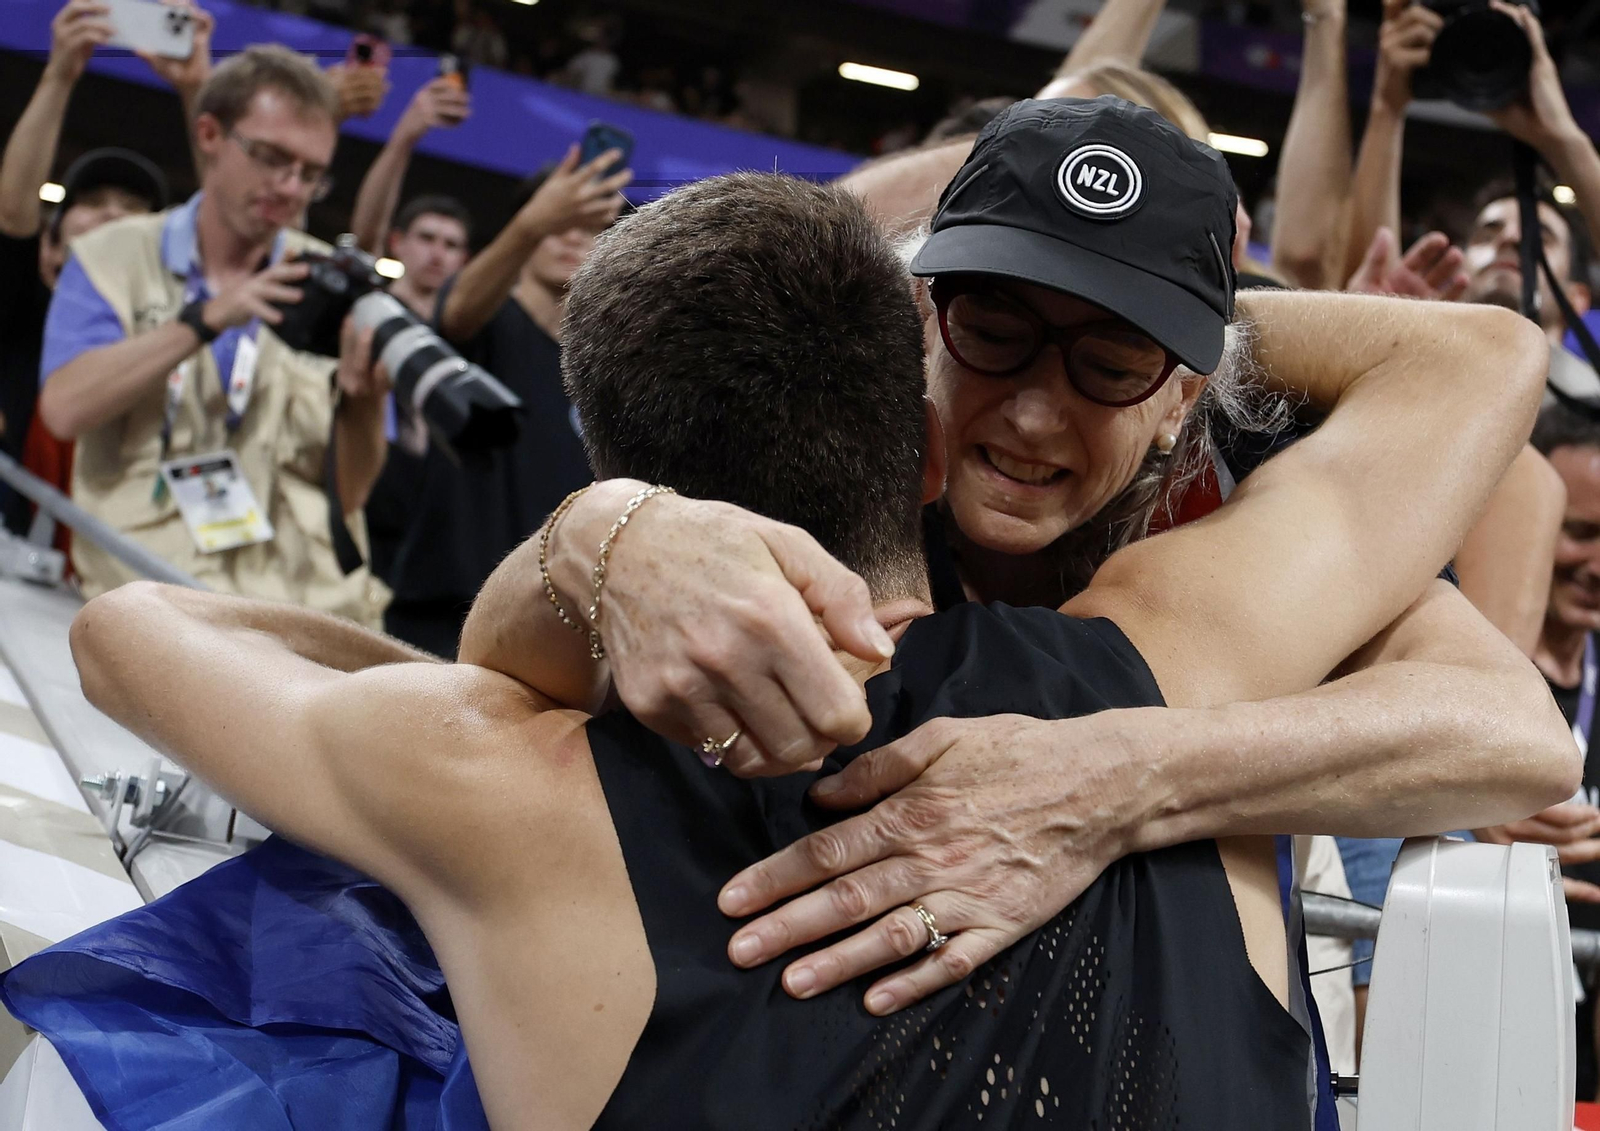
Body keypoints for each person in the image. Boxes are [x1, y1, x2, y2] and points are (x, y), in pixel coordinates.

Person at [40, 157, 1564, 1128]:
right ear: (913, 388)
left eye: (1111, 357)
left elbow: (135, 625)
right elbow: (1477, 382)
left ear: (1187, 397)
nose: (1036, 410)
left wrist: (1126, 772)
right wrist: (609, 540)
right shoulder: (1211, 626)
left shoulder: (492, 779)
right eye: (991, 334)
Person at [35, 45, 391, 624]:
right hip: (149, 593)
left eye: (311, 173)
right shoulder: (114, 254)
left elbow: (349, 496)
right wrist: (206, 318)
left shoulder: (329, 282)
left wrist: (365, 403)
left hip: (301, 608)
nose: (291, 187)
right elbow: (66, 409)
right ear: (208, 135)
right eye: (272, 158)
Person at [378, 148, 631, 655]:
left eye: (590, 227)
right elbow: (453, 317)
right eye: (560, 220)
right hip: (443, 615)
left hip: (551, 630)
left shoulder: (608, 365)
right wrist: (531, 224)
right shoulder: (487, 318)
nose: (571, 235)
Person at [0, 0, 211, 533]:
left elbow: (227, 217)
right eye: (91, 202)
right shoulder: (29, 311)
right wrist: (59, 74)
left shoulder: (176, 329)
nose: (114, 214)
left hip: (133, 559)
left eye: (132, 208)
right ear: (49, 249)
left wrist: (197, 90)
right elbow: (13, 211)